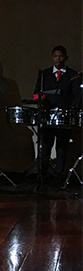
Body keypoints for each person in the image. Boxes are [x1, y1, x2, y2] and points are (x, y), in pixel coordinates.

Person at [34, 45, 77, 175]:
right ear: (52, 58)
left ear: (66, 58)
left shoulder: (72, 75)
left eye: (61, 56)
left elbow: (76, 96)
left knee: (62, 147)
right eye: (55, 56)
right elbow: (36, 94)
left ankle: (59, 175)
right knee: (46, 145)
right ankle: (43, 174)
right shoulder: (44, 75)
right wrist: (42, 98)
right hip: (47, 114)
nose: (58, 59)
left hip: (64, 115)